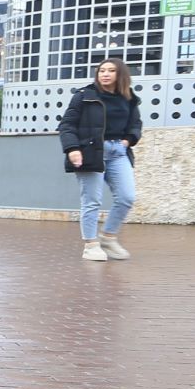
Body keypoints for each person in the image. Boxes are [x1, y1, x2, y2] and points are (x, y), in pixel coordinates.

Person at [58, 56, 142, 262]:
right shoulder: (84, 96)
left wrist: (128, 141)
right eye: (102, 70)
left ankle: (108, 238)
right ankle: (90, 245)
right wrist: (72, 148)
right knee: (92, 201)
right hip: (91, 151)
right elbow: (67, 125)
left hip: (118, 152)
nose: (105, 74)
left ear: (120, 74)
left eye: (111, 70)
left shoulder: (129, 98)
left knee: (127, 197)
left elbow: (135, 124)